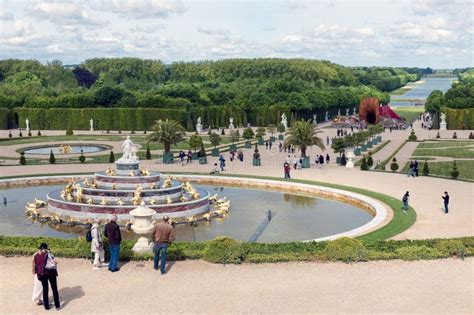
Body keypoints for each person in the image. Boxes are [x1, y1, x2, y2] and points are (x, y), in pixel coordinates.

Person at [34, 243, 61, 310]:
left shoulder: (36, 256)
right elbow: (55, 262)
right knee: (54, 288)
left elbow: (36, 266)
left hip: (42, 274)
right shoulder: (49, 254)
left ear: (40, 248)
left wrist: (38, 274)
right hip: (51, 272)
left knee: (45, 290)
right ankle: (57, 306)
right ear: (46, 248)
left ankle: (46, 306)